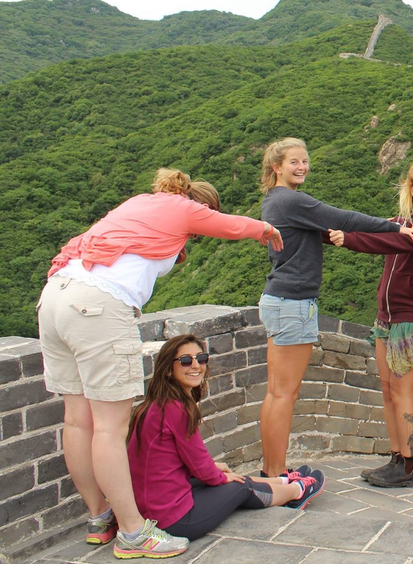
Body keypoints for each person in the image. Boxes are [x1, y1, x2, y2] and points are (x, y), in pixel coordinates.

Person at [37, 168, 283, 558]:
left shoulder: (140, 204)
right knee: (109, 426)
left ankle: (100, 518)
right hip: (98, 304)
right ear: (200, 205)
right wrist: (264, 229)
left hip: (56, 295)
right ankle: (134, 533)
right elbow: (229, 225)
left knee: (77, 420)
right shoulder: (184, 208)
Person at [258, 137, 413, 480]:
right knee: (285, 394)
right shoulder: (291, 200)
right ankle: (275, 475)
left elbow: (326, 229)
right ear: (277, 167)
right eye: (294, 162)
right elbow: (342, 218)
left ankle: (272, 468)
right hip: (294, 301)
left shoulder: (274, 200)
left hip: (278, 298)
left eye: (305, 161)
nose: (302, 167)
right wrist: (397, 228)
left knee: (276, 393)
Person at [328, 156, 413, 488]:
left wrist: (349, 240)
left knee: (402, 394)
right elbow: (368, 225)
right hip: (386, 319)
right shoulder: (402, 220)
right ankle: (396, 458)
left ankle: (409, 468)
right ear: (410, 188)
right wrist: (325, 230)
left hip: (411, 322)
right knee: (387, 392)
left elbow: (394, 241)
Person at [127, 335, 325, 542]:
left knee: (226, 477)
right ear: (168, 369)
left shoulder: (153, 405)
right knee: (238, 487)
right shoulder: (176, 409)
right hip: (172, 521)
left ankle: (282, 480)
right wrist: (216, 476)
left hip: (148, 507)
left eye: (201, 358)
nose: (196, 366)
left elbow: (178, 460)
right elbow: (199, 463)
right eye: (186, 361)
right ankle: (297, 491)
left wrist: (213, 470)